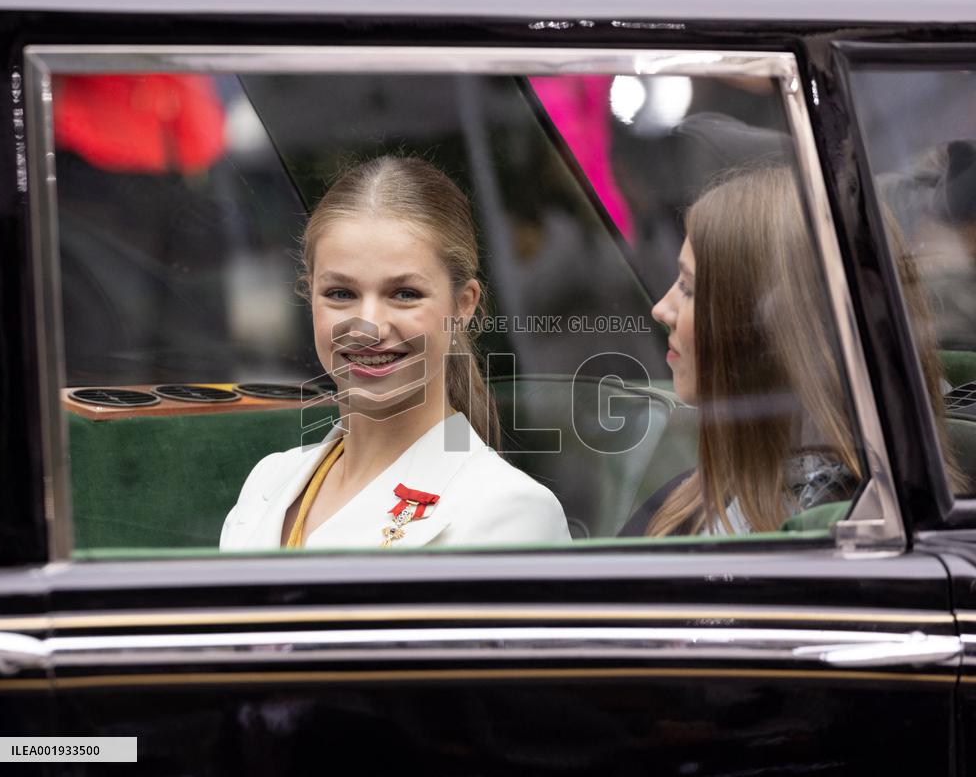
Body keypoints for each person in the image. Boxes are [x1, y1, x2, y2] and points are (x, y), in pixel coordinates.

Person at [220, 156, 571, 550]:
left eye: (405, 294)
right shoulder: (268, 482)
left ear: (463, 305)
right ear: (309, 295)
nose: (368, 326)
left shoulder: (512, 512)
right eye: (341, 294)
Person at [622, 165, 963, 537]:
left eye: (688, 288)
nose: (661, 309)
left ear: (768, 331)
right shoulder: (703, 493)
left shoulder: (837, 534)